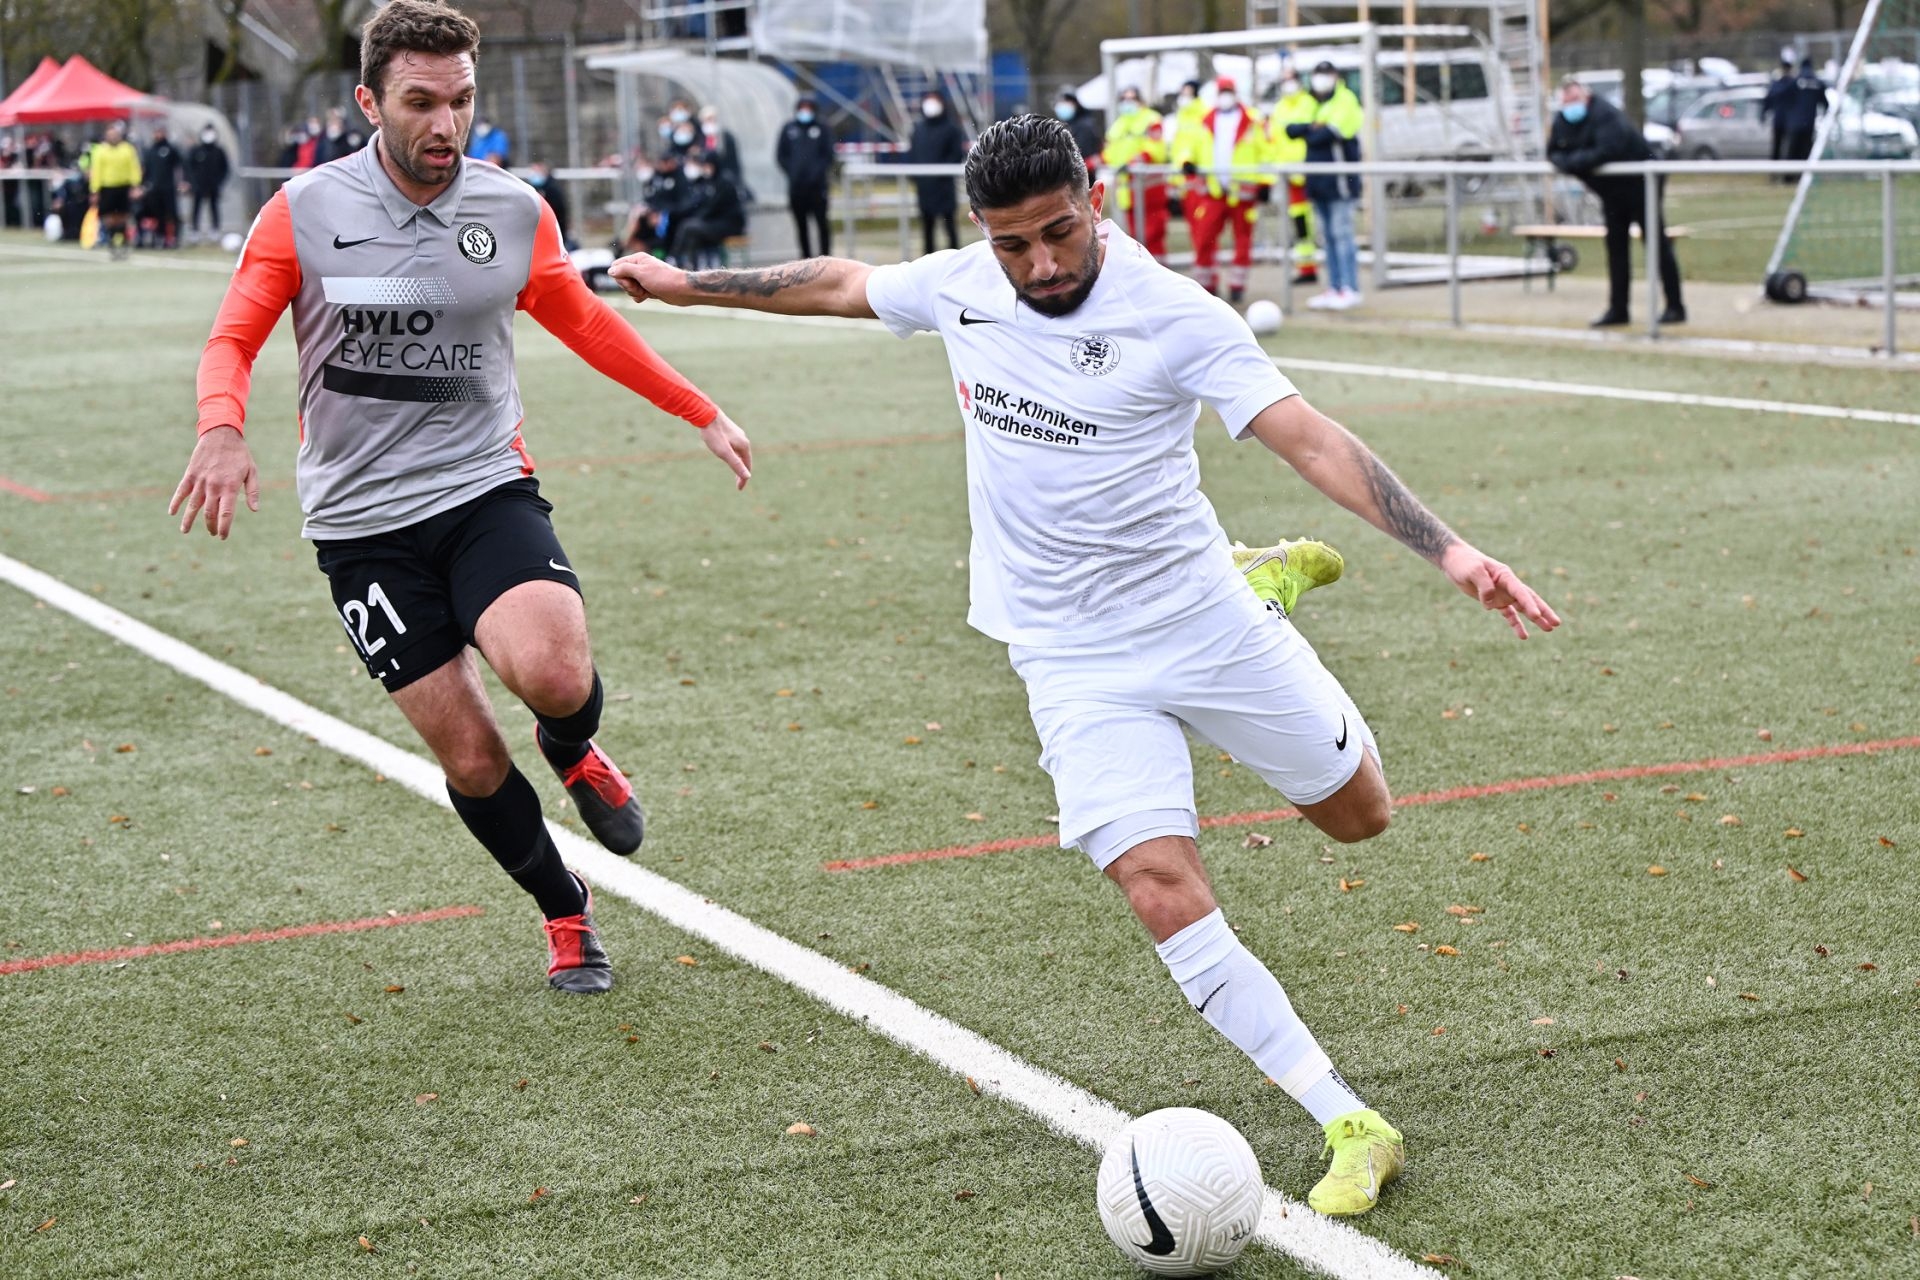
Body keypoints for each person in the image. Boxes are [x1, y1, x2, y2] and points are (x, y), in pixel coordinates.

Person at [610, 113, 1559, 1215]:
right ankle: (1347, 1117)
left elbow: (1307, 436)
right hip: (1067, 652)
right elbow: (841, 281)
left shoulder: (1175, 314)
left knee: (1360, 817)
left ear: (1094, 198)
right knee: (1156, 881)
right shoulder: (965, 283)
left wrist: (1452, 551)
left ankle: (1262, 582)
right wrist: (684, 286)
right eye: (1013, 244)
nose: (1041, 264)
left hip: (1203, 621)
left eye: (1059, 233)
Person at [169, 0, 755, 996]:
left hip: (482, 486)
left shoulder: (513, 210)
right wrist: (220, 425)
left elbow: (584, 320)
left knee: (555, 673)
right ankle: (565, 906)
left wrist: (696, 407)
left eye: (462, 100)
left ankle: (571, 746)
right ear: (369, 102)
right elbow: (232, 338)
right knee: (474, 759)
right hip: (361, 528)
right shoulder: (303, 210)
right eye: (421, 102)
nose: (446, 124)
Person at [1547, 79, 1685, 327]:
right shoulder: (1562, 121)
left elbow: (1606, 151)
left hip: (1642, 183)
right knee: (1616, 247)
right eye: (1566, 102)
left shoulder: (1606, 115)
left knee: (1656, 243)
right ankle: (1618, 309)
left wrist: (1572, 163)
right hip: (1612, 191)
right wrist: (1573, 162)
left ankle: (1675, 306)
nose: (1570, 106)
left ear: (1586, 97)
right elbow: (1554, 152)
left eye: (1574, 99)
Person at [1172, 76, 1272, 303]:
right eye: (1222, 91)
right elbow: (1188, 147)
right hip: (1213, 190)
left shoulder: (1253, 121)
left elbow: (1266, 152)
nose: (1225, 96)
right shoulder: (1205, 120)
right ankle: (1207, 285)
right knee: (1204, 236)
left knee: (1243, 239)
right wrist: (1186, 161)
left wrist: (1266, 182)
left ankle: (1238, 286)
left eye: (1228, 91)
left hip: (1243, 192)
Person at [1286, 63, 1363, 310]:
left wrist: (1311, 129)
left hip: (1340, 181)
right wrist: (1312, 127)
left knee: (1342, 234)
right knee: (1327, 237)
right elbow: (1291, 129)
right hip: (1317, 180)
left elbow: (1329, 133)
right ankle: (1334, 286)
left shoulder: (1346, 99)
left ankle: (1350, 288)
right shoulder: (1309, 101)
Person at [1101, 86, 1167, 258]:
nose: (1127, 103)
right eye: (1124, 99)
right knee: (1135, 240)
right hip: (1127, 191)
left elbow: (1156, 149)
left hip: (1148, 189)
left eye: (1132, 99)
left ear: (1140, 100)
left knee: (1153, 236)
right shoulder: (1118, 125)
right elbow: (1108, 152)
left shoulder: (1152, 119)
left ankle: (1158, 270)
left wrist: (1135, 161)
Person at [1266, 69, 1319, 284]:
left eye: (1291, 80)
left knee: (1309, 221)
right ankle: (1305, 266)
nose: (1288, 84)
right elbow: (1274, 141)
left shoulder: (1309, 103)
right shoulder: (1279, 108)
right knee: (1299, 222)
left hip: (1309, 173)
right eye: (1285, 80)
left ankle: (1309, 266)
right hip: (1287, 175)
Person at [908, 90, 968, 254]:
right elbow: (913, 154)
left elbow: (956, 155)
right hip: (924, 187)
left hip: (944, 186)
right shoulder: (919, 129)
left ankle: (956, 257)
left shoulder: (951, 129)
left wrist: (941, 173)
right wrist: (915, 175)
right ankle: (928, 258)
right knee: (927, 227)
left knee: (949, 225)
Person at [776, 96, 834, 257]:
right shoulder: (789, 129)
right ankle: (805, 258)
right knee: (801, 226)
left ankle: (825, 257)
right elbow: (781, 155)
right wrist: (793, 172)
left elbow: (828, 155)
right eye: (802, 108)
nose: (805, 112)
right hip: (796, 188)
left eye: (808, 108)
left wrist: (816, 174)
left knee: (822, 224)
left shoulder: (822, 128)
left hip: (817, 187)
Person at [668, 156, 746, 267]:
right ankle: (690, 266)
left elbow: (714, 207)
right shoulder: (709, 183)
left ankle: (675, 257)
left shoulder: (724, 183)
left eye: (707, 165)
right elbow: (701, 203)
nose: (705, 169)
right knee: (693, 235)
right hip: (715, 223)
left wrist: (698, 218)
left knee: (689, 226)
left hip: (729, 225)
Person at [1764, 58, 1827, 177]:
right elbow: (1824, 102)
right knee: (1806, 151)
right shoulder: (1817, 82)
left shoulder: (1795, 82)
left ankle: (1788, 176)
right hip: (1809, 123)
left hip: (1794, 122)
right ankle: (1803, 176)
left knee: (1792, 151)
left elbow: (1779, 95)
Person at [89, 121, 142, 258]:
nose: (112, 137)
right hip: (107, 187)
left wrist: (135, 185)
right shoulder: (100, 150)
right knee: (109, 217)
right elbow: (96, 171)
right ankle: (112, 240)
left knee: (123, 216)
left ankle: (123, 240)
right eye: (110, 134)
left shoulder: (127, 149)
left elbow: (133, 167)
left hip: (123, 186)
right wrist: (95, 190)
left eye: (115, 134)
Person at [139, 124, 183, 248]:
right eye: (156, 132)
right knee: (158, 215)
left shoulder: (171, 149)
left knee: (172, 214)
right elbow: (145, 170)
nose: (158, 135)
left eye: (161, 132)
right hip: (154, 188)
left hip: (168, 188)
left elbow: (180, 166)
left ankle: (174, 238)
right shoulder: (150, 151)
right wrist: (143, 185)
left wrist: (182, 182)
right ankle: (160, 237)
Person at [185, 125, 230, 243]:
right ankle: (194, 230)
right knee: (196, 207)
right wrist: (193, 182)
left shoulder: (219, 151)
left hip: (213, 185)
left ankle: (215, 229)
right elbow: (189, 168)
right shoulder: (197, 150)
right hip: (198, 185)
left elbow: (225, 168)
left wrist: (219, 182)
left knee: (214, 207)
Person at [1762, 50, 1797, 180]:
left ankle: (1777, 174)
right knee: (1786, 149)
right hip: (1788, 121)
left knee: (1778, 148)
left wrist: (1764, 113)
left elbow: (1768, 100)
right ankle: (1784, 175)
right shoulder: (1792, 84)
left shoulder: (1778, 84)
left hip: (1780, 120)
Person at [1053, 91, 1103, 180]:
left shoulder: (1085, 126)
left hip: (1082, 175)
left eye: (1066, 102)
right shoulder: (1066, 125)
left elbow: (1085, 153)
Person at [526, 160, 574, 249]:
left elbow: (558, 213)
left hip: (553, 234)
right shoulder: (532, 189)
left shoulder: (553, 190)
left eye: (536, 171)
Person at [697, 105, 744, 189]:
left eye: (713, 119)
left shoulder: (726, 137)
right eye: (707, 120)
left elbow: (733, 160)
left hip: (724, 176)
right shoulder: (700, 139)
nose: (710, 122)